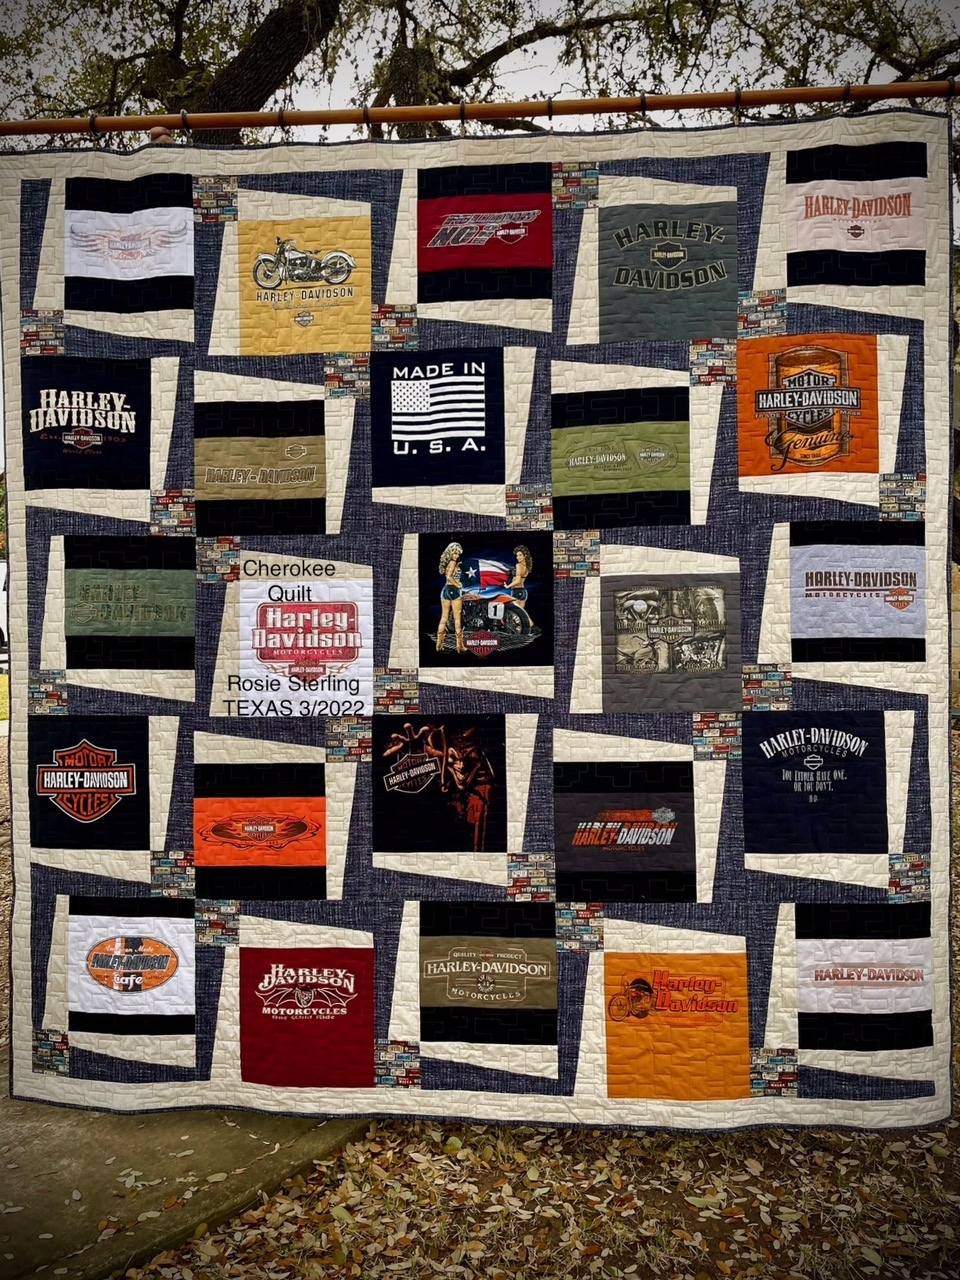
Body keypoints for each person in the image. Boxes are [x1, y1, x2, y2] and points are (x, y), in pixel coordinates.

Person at [436, 541, 465, 654]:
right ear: (450, 552)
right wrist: (458, 585)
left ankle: (439, 645)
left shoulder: (448, 563)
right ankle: (459, 646)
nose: (457, 556)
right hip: (454, 591)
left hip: (445, 591)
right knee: (457, 619)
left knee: (444, 618)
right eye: (455, 553)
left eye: (458, 554)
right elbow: (449, 577)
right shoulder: (452, 563)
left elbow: (447, 576)